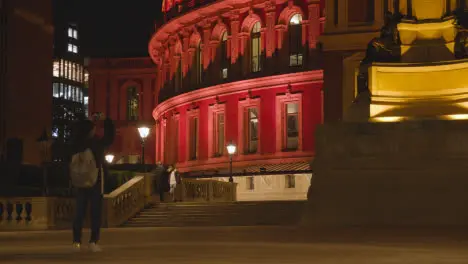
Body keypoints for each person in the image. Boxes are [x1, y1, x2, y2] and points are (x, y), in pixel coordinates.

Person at [70, 113, 115, 252]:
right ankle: (93, 242)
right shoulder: (96, 143)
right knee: (95, 213)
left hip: (80, 182)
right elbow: (109, 138)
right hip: (95, 181)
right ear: (91, 130)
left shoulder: (76, 144)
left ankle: (76, 242)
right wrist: (106, 120)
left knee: (79, 212)